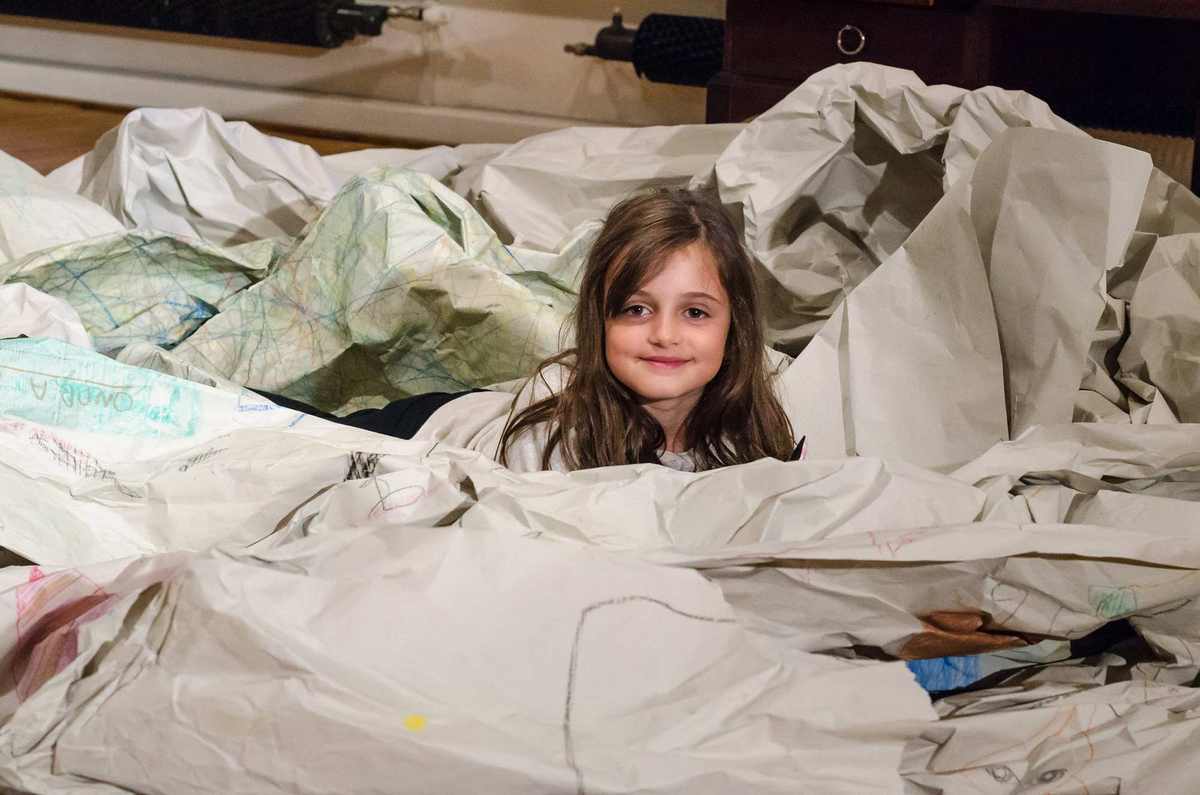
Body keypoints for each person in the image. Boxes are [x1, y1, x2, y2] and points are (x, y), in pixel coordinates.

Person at [265, 187, 796, 473]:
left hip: (493, 409)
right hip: (425, 430)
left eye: (695, 313)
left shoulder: (748, 432)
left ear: (735, 327)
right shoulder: (553, 438)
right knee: (268, 432)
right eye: (636, 309)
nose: (664, 334)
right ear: (598, 319)